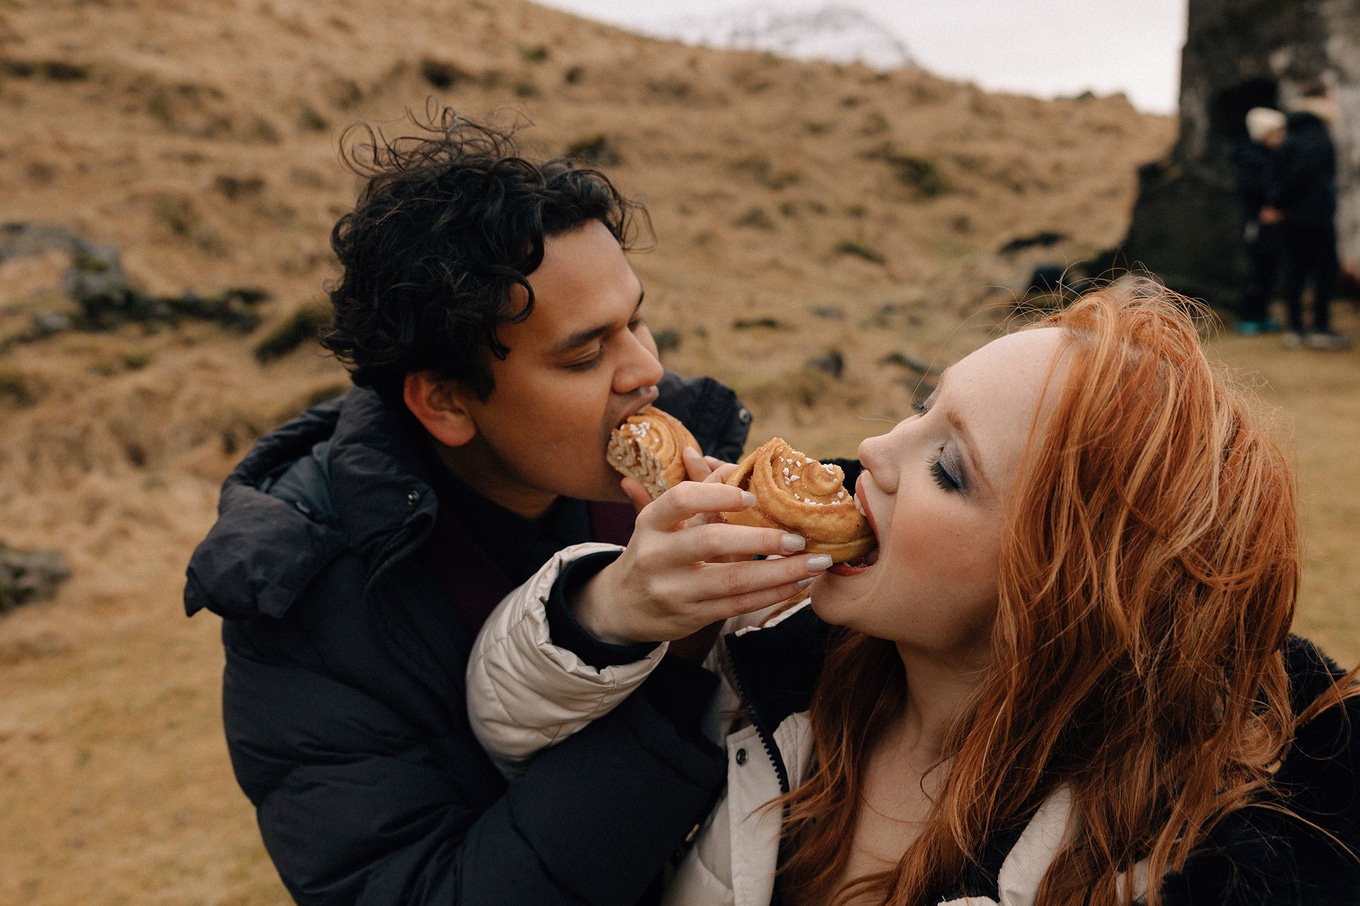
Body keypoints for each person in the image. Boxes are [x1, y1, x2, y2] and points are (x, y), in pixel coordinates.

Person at [469, 280, 1360, 905]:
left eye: (947, 467)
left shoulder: (1159, 859)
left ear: (1058, 592)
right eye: (921, 404)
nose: (873, 450)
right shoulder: (767, 651)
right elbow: (505, 722)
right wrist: (615, 608)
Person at [182, 107, 834, 905]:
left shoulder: (696, 466)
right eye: (587, 352)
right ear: (448, 403)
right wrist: (675, 653)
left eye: (637, 320)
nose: (645, 371)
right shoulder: (305, 600)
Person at [1262, 88, 1350, 349]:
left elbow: (1280, 176)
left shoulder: (1293, 135)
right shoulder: (1317, 136)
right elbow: (1302, 174)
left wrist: (1277, 204)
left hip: (1292, 218)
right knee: (1325, 271)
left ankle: (1297, 329)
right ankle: (1320, 328)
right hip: (1315, 216)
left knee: (1296, 272)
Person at [1228, 106, 1286, 335]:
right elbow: (1252, 189)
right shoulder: (1249, 158)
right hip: (1256, 221)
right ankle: (1248, 316)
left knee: (1268, 268)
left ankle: (1261, 314)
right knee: (1256, 269)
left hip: (1267, 221)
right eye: (1276, 133)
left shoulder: (1269, 157)